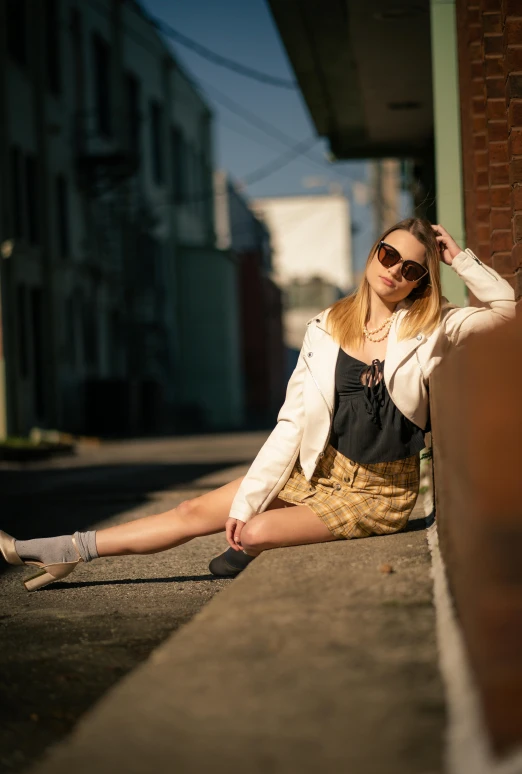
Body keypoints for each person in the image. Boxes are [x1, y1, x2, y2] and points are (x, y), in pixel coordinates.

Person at [0, 219, 516, 591]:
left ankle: (249, 546)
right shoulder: (323, 329)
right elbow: (291, 426)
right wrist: (248, 497)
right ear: (371, 253)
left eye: (410, 269)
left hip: (378, 492)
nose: (394, 271)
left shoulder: (436, 326)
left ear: (421, 282)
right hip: (317, 469)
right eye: (387, 255)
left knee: (256, 531)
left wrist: (460, 259)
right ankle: (65, 550)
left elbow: (506, 310)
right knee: (192, 510)